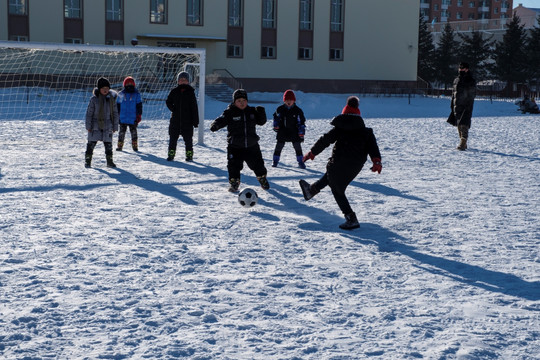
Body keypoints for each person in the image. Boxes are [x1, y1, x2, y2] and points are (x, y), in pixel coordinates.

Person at [298, 96, 382, 230]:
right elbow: (373, 148)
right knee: (333, 178)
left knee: (337, 188)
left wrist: (312, 153)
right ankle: (311, 190)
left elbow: (325, 140)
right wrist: (377, 161)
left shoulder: (339, 128)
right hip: (355, 165)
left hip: (339, 162)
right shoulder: (366, 132)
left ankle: (351, 218)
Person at [210, 89, 270, 192]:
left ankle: (262, 178)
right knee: (233, 166)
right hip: (235, 146)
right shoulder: (230, 112)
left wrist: (261, 113)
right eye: (239, 101)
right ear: (234, 102)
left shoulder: (251, 112)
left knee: (258, 164)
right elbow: (222, 119)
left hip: (252, 145)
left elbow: (261, 122)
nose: (242, 103)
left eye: (244, 100)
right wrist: (216, 125)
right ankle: (234, 183)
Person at [85, 77, 119, 168]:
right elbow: (89, 114)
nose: (105, 90)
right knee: (91, 144)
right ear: (99, 89)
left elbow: (115, 113)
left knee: (108, 145)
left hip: (108, 126)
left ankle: (110, 161)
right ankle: (88, 161)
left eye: (107, 89)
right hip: (95, 126)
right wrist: (88, 126)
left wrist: (115, 126)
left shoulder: (112, 99)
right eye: (103, 89)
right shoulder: (94, 100)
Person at [165, 71, 199, 161]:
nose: (183, 81)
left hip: (187, 121)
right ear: (178, 81)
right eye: (181, 80)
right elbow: (168, 101)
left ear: (188, 81)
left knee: (188, 140)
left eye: (185, 80)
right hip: (175, 120)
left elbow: (194, 108)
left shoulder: (191, 92)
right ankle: (171, 154)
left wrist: (195, 121)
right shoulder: (174, 91)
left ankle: (189, 155)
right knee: (173, 139)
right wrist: (173, 109)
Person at [271, 89, 307, 168]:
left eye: (290, 100)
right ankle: (275, 160)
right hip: (283, 131)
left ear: (294, 100)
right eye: (287, 100)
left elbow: (301, 122)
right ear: (284, 101)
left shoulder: (297, 110)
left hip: (294, 131)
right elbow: (276, 118)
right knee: (279, 146)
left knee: (297, 146)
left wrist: (301, 132)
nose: (289, 102)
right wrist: (276, 126)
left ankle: (300, 161)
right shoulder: (280, 109)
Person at [447, 62, 476, 150]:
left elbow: (472, 94)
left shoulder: (470, 80)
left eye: (462, 68)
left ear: (467, 69)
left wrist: (468, 104)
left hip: (466, 105)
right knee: (459, 124)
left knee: (464, 124)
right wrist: (452, 104)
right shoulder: (456, 80)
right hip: (457, 105)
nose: (460, 70)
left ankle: (463, 143)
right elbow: (453, 93)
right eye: (459, 68)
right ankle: (463, 142)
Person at [116, 76, 143, 152]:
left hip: (133, 118)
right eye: (127, 83)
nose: (129, 85)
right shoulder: (121, 94)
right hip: (123, 117)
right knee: (121, 132)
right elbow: (117, 106)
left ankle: (135, 145)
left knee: (134, 132)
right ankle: (120, 145)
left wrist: (139, 115)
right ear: (124, 84)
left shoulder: (136, 94)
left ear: (134, 84)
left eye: (131, 83)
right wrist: (117, 115)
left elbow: (139, 106)